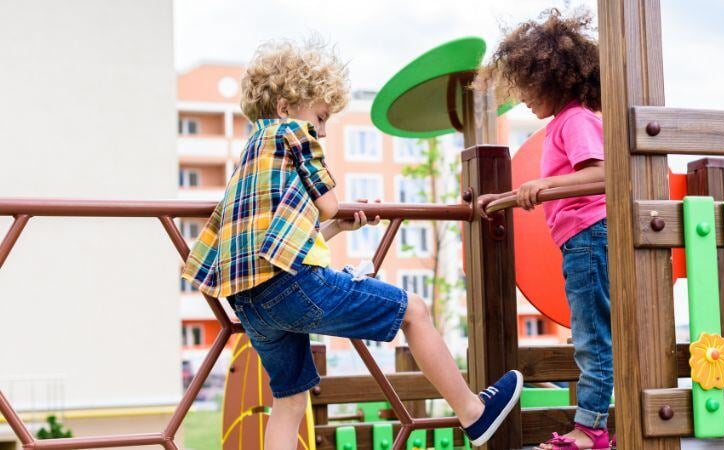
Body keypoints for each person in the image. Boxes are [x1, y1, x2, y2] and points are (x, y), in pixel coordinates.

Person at [182, 40, 522, 449]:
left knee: (289, 401)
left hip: (249, 301)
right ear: (286, 107)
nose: (322, 130)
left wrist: (339, 228)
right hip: (290, 287)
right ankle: (473, 412)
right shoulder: (292, 133)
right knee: (414, 310)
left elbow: (280, 244)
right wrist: (337, 208)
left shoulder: (248, 161)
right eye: (321, 117)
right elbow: (326, 203)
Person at [476, 9, 611, 450]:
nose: (523, 98)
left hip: (590, 237)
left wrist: (545, 185)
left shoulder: (575, 119)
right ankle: (592, 425)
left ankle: (591, 430)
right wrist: (502, 199)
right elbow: (548, 190)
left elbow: (603, 175)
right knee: (591, 334)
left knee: (592, 337)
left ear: (555, 77)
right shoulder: (563, 124)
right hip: (582, 241)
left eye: (528, 85)